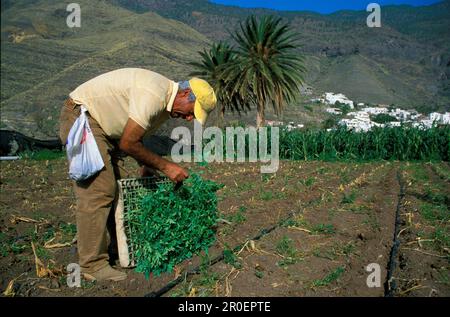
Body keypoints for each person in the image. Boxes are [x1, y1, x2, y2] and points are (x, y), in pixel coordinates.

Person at [59, 68, 217, 281]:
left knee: (122, 187)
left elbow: (135, 135)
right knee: (100, 190)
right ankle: (92, 265)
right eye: (192, 111)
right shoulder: (154, 94)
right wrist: (166, 166)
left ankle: (120, 249)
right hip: (84, 117)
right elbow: (128, 143)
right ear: (184, 94)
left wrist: (147, 165)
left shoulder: (165, 106)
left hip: (107, 130)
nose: (189, 118)